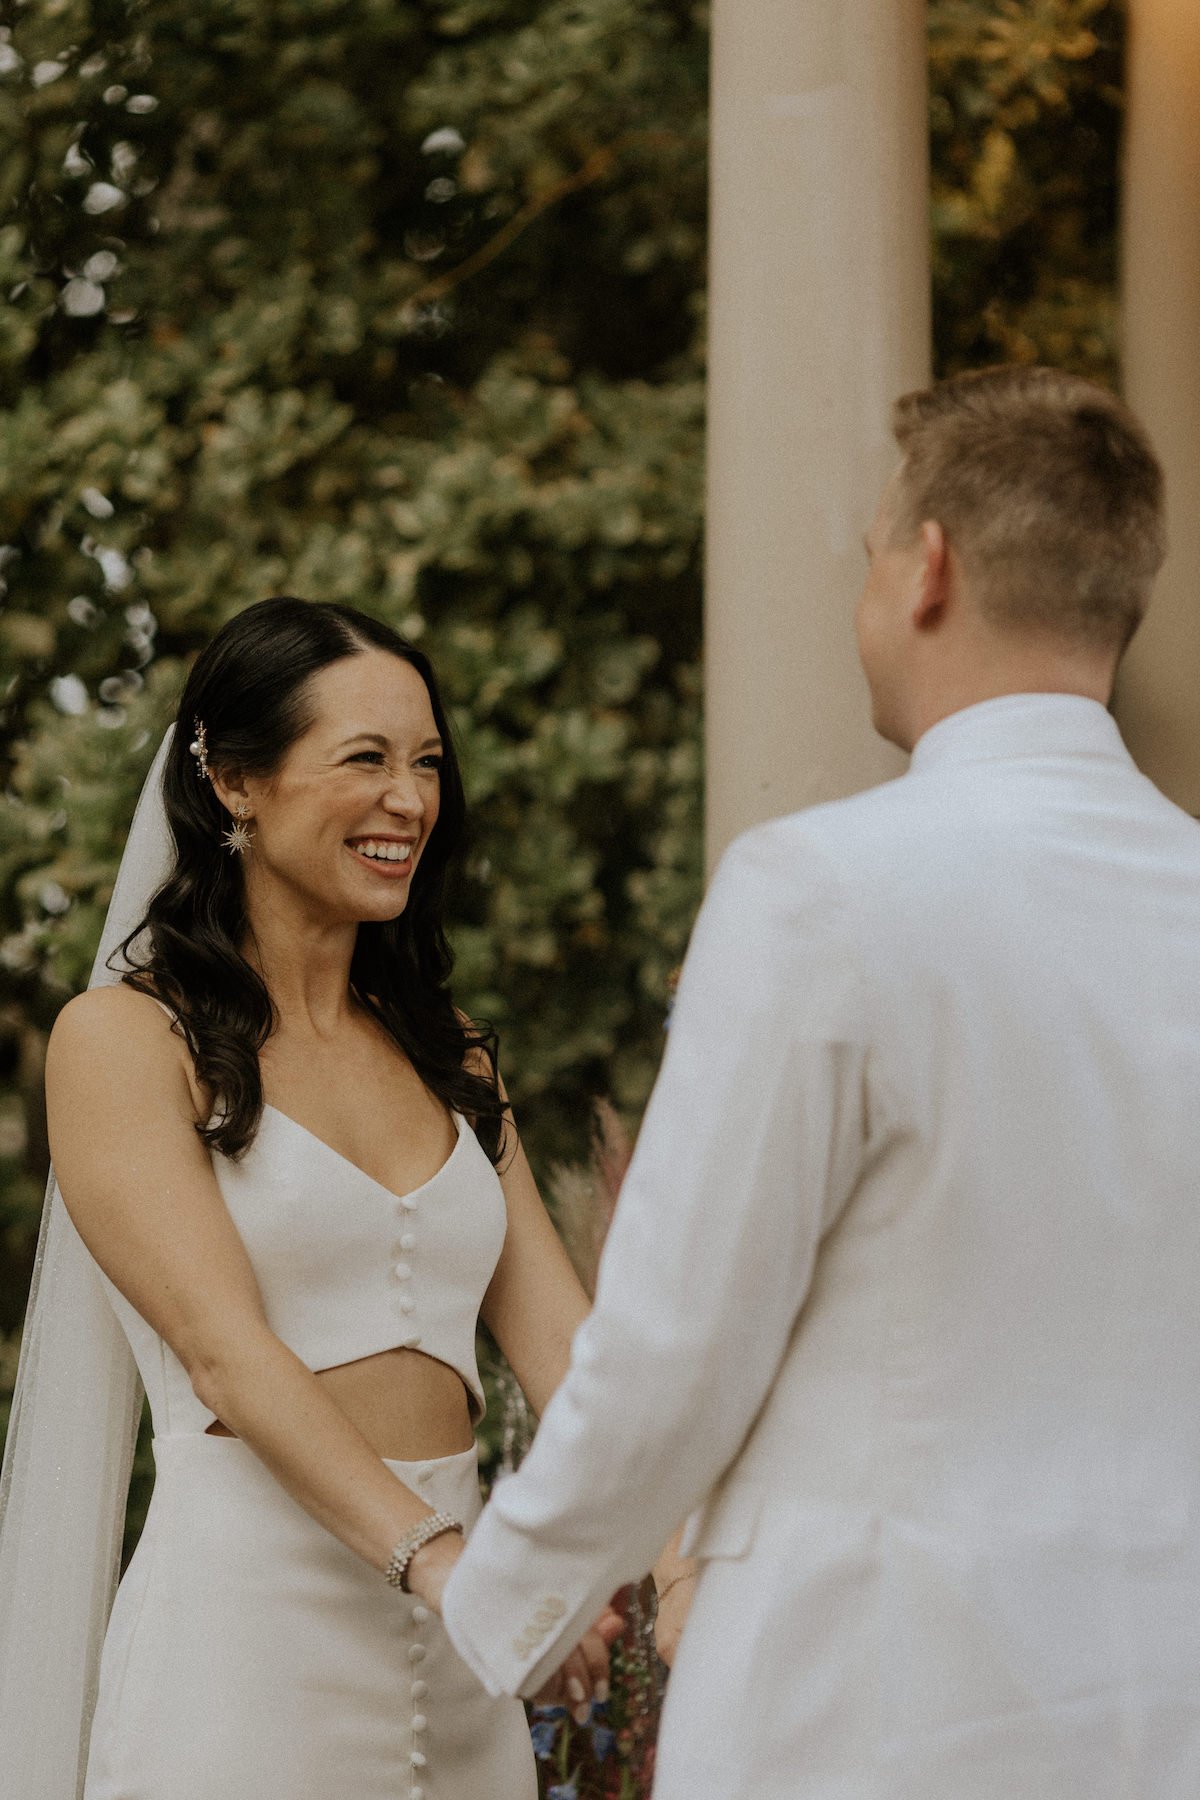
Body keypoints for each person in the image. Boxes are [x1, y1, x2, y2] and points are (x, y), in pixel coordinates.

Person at [425, 366, 1200, 1798]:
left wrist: (493, 1609)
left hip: (874, 1712)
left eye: (867, 559)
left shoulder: (823, 891)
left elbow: (674, 1352)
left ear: (929, 568)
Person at [0, 597, 623, 1799]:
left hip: (466, 1644)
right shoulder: (122, 1042)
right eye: (367, 760)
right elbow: (225, 1354)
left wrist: (669, 1557)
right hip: (248, 1642)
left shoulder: (453, 1052)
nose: (411, 800)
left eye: (428, 763)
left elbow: (568, 1351)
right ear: (235, 781)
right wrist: (445, 1561)